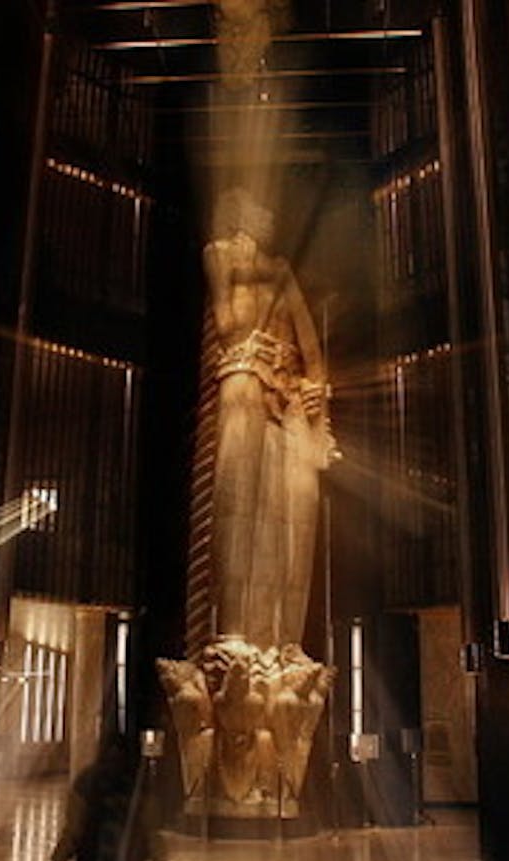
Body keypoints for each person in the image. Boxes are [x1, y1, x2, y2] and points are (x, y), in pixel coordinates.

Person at [202, 187, 333, 651]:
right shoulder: (218, 255)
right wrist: (254, 342)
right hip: (245, 374)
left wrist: (316, 390)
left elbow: (311, 346)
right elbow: (226, 324)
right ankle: (234, 636)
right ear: (238, 212)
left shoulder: (281, 270)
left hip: (289, 393)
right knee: (238, 501)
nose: (267, 217)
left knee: (295, 517)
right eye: (259, 208)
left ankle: (285, 643)